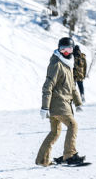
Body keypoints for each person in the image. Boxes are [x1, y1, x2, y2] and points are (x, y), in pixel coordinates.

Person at [36, 36, 85, 167]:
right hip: (58, 104)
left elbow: (72, 87)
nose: (66, 53)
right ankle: (69, 155)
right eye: (63, 50)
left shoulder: (67, 65)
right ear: (59, 49)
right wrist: (44, 107)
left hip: (61, 104)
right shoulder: (56, 64)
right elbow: (48, 85)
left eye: (69, 49)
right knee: (72, 125)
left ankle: (43, 159)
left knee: (55, 132)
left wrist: (78, 103)